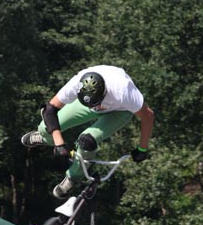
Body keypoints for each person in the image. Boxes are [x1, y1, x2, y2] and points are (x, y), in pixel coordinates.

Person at [21, 65, 154, 199]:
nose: (96, 108)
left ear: (104, 93)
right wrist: (59, 143)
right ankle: (44, 138)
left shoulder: (124, 92)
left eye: (96, 103)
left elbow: (148, 116)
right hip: (87, 103)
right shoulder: (76, 83)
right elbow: (49, 110)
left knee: (87, 141)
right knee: (46, 128)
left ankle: (74, 176)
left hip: (119, 111)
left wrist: (142, 149)